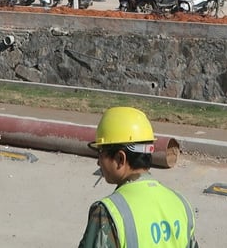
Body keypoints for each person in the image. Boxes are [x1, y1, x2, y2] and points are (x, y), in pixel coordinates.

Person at [78, 106, 198, 248]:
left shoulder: (108, 213)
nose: (98, 162)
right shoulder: (181, 204)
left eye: (101, 152)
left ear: (120, 159)